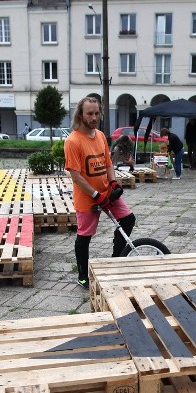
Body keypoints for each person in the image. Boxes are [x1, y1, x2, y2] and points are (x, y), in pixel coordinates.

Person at [64, 97, 135, 289]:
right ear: (81, 114)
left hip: (106, 191)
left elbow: (108, 163)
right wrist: (96, 196)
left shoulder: (101, 136)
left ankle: (114, 261)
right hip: (88, 198)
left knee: (128, 219)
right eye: (90, 113)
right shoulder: (73, 141)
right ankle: (82, 275)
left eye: (97, 113)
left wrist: (113, 182)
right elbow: (76, 176)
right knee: (85, 236)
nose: (94, 117)